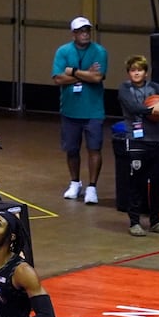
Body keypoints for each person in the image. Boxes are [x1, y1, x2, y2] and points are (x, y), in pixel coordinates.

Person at [117, 55, 159, 237]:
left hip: (156, 140)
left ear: (145, 72)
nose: (136, 73)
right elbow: (134, 108)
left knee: (157, 182)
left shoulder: (153, 86)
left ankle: (155, 220)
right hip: (136, 141)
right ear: (129, 73)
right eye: (133, 70)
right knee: (137, 183)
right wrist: (156, 110)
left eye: (140, 70)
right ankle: (134, 221)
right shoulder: (124, 88)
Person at [53, 17, 107, 204]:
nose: (85, 33)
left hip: (93, 110)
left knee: (94, 148)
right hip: (70, 110)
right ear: (74, 33)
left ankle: (92, 187)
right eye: (80, 30)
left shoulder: (100, 51)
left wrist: (73, 71)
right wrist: (86, 74)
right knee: (72, 149)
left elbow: (97, 77)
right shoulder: (63, 51)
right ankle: (75, 182)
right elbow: (58, 79)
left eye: (87, 30)